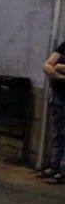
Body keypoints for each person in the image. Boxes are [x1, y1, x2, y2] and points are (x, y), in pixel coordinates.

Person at [37, 40, 65, 183]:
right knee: (57, 133)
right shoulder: (64, 45)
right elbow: (47, 65)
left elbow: (56, 66)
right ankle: (54, 166)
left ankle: (63, 171)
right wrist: (60, 74)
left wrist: (59, 66)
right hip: (58, 95)